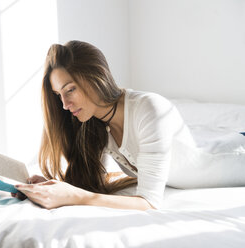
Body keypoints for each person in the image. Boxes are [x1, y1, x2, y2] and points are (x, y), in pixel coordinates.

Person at [13, 40, 196, 210]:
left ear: (95, 76)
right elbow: (89, 187)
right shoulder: (93, 124)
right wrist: (51, 188)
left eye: (70, 89)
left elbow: (149, 203)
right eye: (58, 94)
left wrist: (73, 196)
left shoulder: (150, 108)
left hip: (220, 167)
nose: (64, 105)